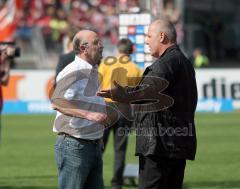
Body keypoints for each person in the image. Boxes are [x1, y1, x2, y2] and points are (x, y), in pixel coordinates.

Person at [98, 19, 198, 189]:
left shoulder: (165, 64)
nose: (145, 40)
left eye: (149, 36)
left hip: (159, 146)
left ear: (161, 36)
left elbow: (145, 93)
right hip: (176, 143)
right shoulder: (183, 62)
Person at [51, 30, 107, 189]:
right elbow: (57, 102)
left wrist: (98, 136)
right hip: (74, 146)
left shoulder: (93, 71)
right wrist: (89, 115)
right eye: (96, 43)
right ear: (83, 48)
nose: (101, 46)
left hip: (93, 145)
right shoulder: (73, 71)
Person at [98, 38, 142, 189]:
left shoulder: (105, 64)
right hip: (124, 109)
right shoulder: (136, 69)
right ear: (132, 51)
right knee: (120, 150)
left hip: (107, 107)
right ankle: (117, 183)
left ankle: (95, 181)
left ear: (118, 49)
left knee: (99, 147)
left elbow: (96, 86)